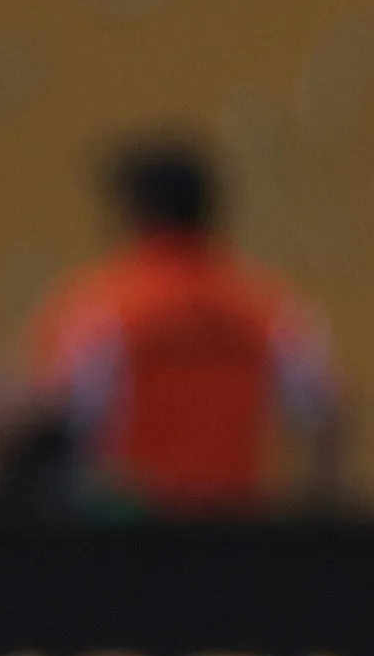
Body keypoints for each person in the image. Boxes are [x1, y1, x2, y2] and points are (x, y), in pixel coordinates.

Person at [20, 137, 342, 513]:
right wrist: (314, 513)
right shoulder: (264, 309)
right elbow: (328, 411)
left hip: (131, 527)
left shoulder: (105, 308)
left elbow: (44, 411)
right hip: (237, 525)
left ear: (136, 211)